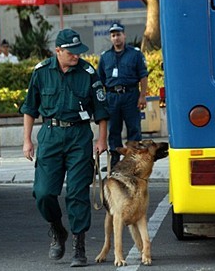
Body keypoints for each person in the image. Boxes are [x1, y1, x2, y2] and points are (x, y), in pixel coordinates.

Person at [20, 28, 109, 267]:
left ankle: (79, 246)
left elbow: (101, 110)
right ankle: (57, 229)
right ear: (58, 51)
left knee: (77, 192)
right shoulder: (41, 72)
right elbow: (30, 109)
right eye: (71, 52)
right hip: (50, 135)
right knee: (44, 192)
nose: (77, 56)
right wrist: (27, 140)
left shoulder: (88, 72)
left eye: (79, 51)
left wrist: (102, 140)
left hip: (79, 136)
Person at [98, 22, 148, 170]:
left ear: (124, 35)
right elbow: (100, 81)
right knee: (114, 129)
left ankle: (133, 160)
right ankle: (114, 160)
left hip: (131, 95)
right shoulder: (105, 57)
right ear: (110, 38)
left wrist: (143, 96)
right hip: (112, 97)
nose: (116, 38)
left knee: (133, 128)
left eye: (118, 34)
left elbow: (143, 76)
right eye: (113, 35)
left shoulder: (135, 54)